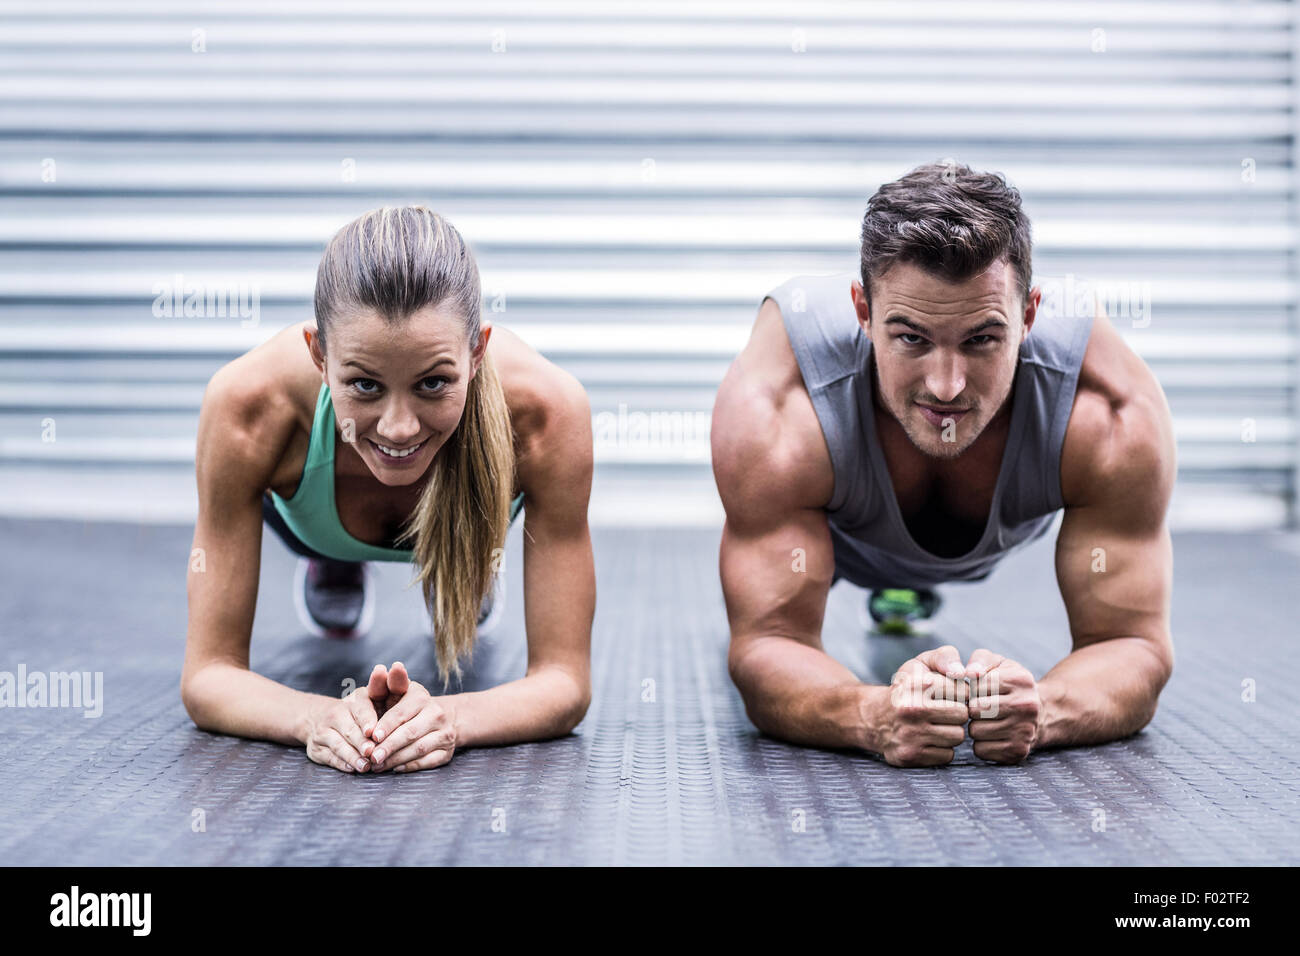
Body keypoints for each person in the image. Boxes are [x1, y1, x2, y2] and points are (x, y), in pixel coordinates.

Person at [711, 162, 1176, 767]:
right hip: (845, 532)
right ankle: (895, 583)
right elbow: (768, 644)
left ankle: (906, 587)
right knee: (800, 574)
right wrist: (869, 715)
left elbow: (1132, 642)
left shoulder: (1109, 413)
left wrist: (1047, 709)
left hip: (988, 521)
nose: (948, 386)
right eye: (911, 339)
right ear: (862, 311)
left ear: (1029, 315)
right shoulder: (780, 410)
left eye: (982, 339)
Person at [182, 206, 595, 774]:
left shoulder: (548, 413)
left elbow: (565, 683)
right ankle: (334, 559)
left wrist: (448, 719)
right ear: (318, 354)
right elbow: (207, 676)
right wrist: (318, 718)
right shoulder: (248, 407)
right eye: (364, 385)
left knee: (461, 528)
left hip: (468, 507)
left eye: (433, 383)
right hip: (313, 523)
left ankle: (465, 560)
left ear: (478, 351)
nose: (398, 427)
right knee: (332, 519)